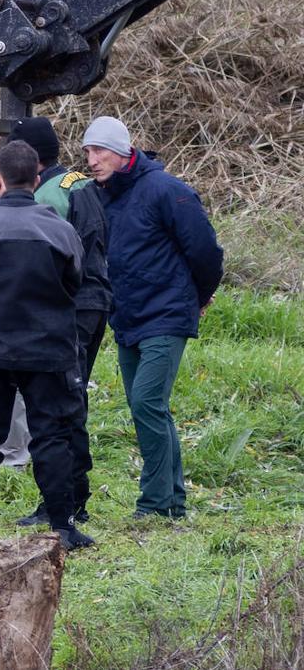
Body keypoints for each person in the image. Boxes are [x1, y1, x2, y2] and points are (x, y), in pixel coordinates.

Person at [0, 141, 93, 550]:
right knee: (51, 436)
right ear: (36, 179)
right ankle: (62, 525)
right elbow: (74, 283)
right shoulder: (60, 229)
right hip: (48, 348)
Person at [84, 116, 223, 519]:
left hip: (166, 314)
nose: (92, 160)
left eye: (99, 150)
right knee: (148, 406)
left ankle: (155, 503)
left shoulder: (167, 190)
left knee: (147, 402)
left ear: (123, 150)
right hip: (127, 315)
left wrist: (198, 296)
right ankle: (174, 499)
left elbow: (206, 252)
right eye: (87, 152)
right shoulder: (101, 195)